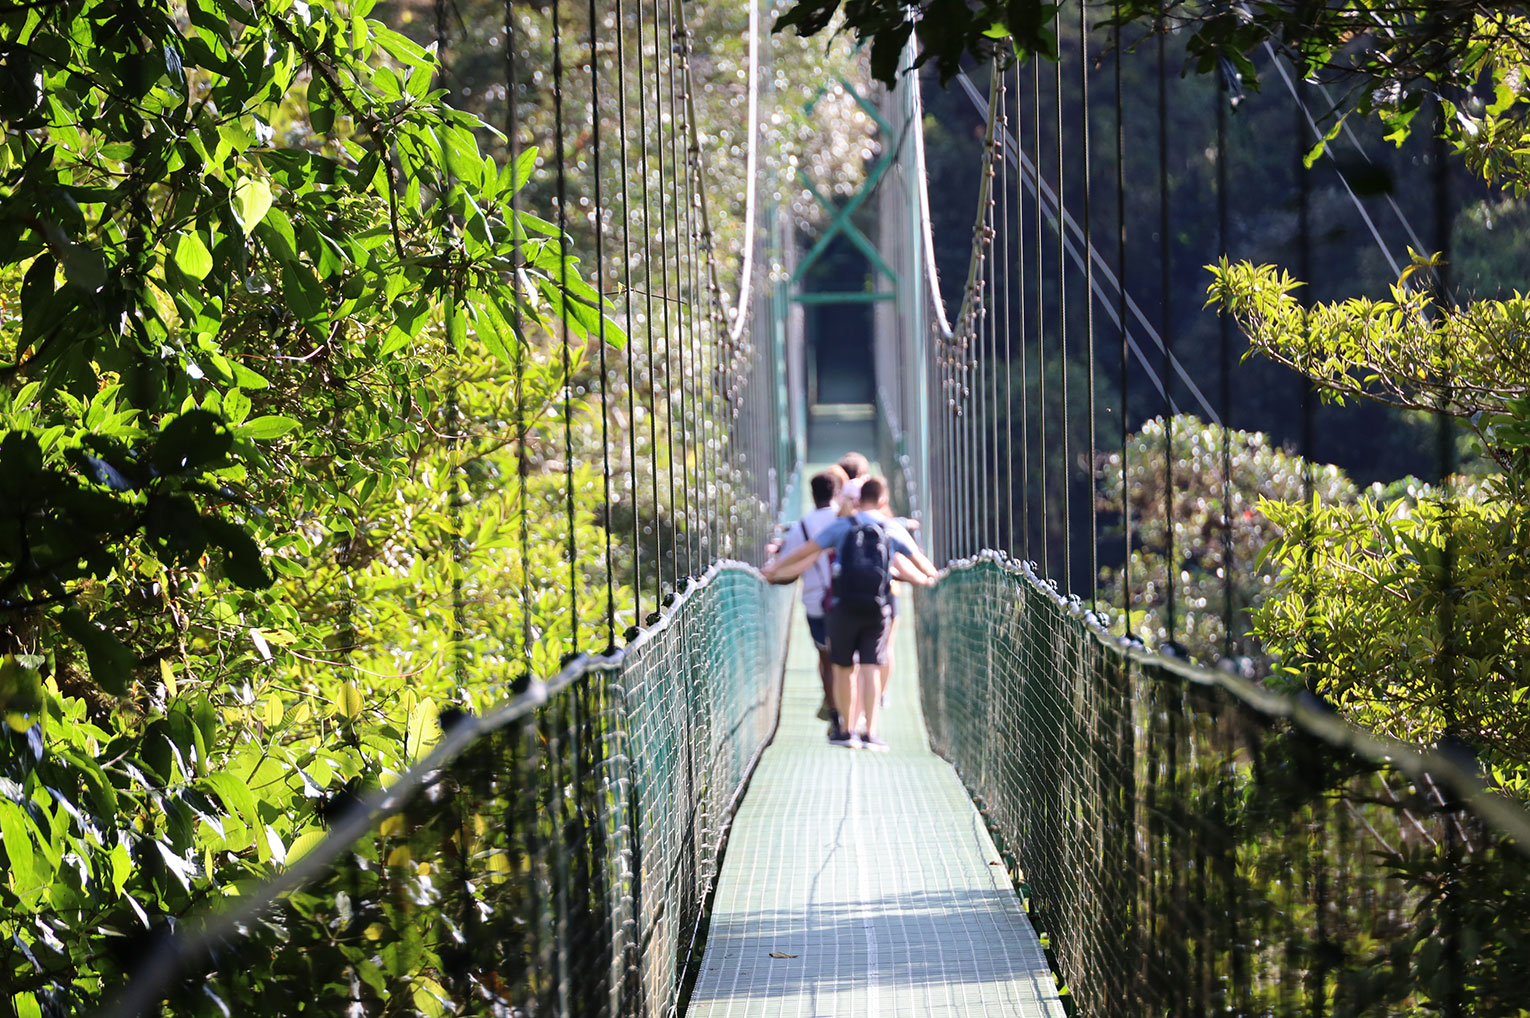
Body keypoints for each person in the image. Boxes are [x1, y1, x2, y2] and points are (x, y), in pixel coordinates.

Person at [764, 477, 938, 750]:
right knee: (869, 667)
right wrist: (933, 578)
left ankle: (846, 731)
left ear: (857, 501)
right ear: (882, 501)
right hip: (877, 607)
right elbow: (920, 562)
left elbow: (806, 551)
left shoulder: (843, 526)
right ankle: (870, 733)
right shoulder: (892, 527)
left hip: (843, 607)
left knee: (843, 668)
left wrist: (775, 567)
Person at [764, 466, 848, 732]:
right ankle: (849, 715)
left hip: (816, 602)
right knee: (847, 660)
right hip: (847, 600)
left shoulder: (802, 526)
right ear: (837, 492)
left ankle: (835, 711)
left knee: (825, 658)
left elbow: (789, 570)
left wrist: (770, 576)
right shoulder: (845, 520)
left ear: (812, 495)